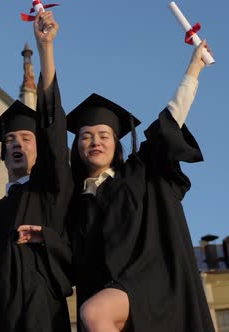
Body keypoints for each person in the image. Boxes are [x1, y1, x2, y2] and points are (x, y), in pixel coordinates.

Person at [66, 41, 215, 331]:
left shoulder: (139, 171)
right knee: (93, 314)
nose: (95, 141)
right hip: (114, 294)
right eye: (86, 136)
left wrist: (193, 68)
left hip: (154, 285)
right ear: (76, 147)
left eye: (103, 135)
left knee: (94, 313)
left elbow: (170, 122)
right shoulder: (77, 202)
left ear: (116, 143)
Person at [0, 11, 73, 332]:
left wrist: (45, 48)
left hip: (43, 316)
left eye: (27, 138)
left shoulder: (50, 189)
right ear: (3, 155)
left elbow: (54, 130)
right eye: (11, 140)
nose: (18, 144)